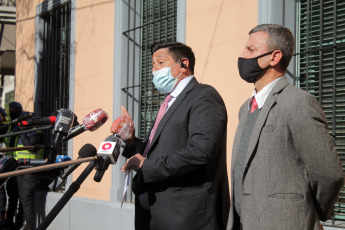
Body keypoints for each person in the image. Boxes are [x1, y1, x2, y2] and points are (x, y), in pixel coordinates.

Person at [227, 24, 344, 230]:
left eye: (251, 50)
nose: (242, 55)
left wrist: (310, 213)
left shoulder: (298, 102)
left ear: (274, 57)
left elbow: (328, 174)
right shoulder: (245, 109)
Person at [120, 41, 230, 230]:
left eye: (160, 63)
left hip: (185, 216)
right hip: (153, 212)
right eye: (152, 65)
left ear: (183, 64)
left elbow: (200, 152)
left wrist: (147, 166)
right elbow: (155, 153)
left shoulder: (203, 96)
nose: (154, 70)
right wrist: (131, 141)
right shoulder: (168, 102)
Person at [4, 101, 45, 230]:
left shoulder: (35, 131)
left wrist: (22, 130)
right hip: (18, 167)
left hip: (30, 168)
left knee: (26, 199)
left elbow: (31, 146)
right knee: (20, 197)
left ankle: (29, 226)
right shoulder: (16, 128)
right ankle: (18, 223)